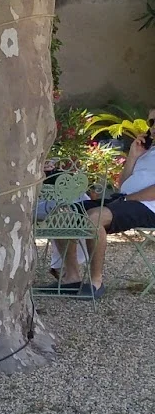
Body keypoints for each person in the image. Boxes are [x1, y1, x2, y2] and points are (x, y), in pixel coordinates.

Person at [59, 118, 155, 298]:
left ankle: (96, 282)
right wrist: (133, 155)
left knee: (95, 217)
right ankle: (72, 277)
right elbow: (123, 185)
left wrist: (127, 199)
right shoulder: (147, 152)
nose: (153, 126)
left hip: (148, 207)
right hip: (125, 200)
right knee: (64, 213)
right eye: (151, 121)